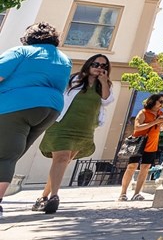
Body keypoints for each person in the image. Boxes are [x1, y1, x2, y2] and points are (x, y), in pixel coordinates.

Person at [0, 23, 72, 217]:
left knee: (4, 154)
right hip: (49, 110)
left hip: (14, 105)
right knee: (10, 155)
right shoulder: (64, 59)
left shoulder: (22, 52)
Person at [33, 53, 115, 214]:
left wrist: (104, 82)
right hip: (62, 125)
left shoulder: (105, 85)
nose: (99, 67)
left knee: (63, 161)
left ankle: (43, 197)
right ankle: (54, 197)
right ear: (89, 64)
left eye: (103, 66)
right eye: (96, 64)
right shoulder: (74, 79)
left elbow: (107, 100)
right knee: (61, 158)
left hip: (84, 128)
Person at [118, 93, 163, 202]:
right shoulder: (143, 112)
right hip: (139, 143)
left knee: (145, 168)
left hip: (152, 143)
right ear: (153, 101)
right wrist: (154, 122)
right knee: (132, 166)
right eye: (160, 101)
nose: (162, 104)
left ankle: (137, 193)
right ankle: (123, 193)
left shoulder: (161, 114)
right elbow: (137, 127)